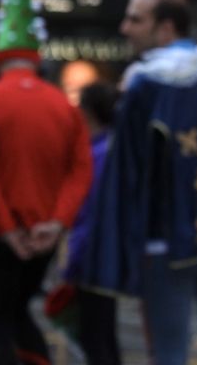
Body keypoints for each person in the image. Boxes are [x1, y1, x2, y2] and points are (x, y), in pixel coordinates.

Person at [84, 0, 197, 365]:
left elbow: (126, 170)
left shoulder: (146, 83)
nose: (125, 27)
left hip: (166, 241)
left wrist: (119, 243)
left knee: (169, 352)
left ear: (165, 28)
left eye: (135, 19)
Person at [0, 0, 94, 365]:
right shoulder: (63, 107)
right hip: (44, 237)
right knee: (18, 313)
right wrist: (55, 224)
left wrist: (7, 229)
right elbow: (80, 170)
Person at [57, 81, 122, 365]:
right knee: (103, 333)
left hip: (93, 254)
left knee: (95, 336)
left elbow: (89, 214)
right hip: (106, 252)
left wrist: (72, 262)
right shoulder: (110, 148)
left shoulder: (96, 154)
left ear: (88, 112)